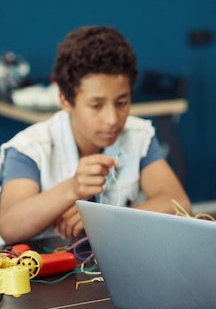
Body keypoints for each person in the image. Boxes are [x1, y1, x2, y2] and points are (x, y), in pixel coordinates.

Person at [0, 26, 191, 245]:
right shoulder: (30, 147)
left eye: (122, 102)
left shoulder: (138, 135)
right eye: (96, 105)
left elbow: (179, 205)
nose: (112, 119)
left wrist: (102, 221)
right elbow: (8, 226)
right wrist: (71, 189)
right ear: (65, 100)